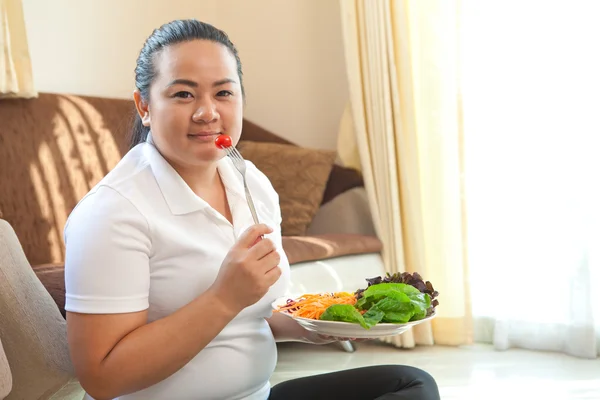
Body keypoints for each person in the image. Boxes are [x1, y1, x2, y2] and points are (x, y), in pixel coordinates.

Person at [63, 19, 440, 400]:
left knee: (410, 384)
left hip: (255, 395)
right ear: (144, 106)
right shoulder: (111, 213)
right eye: (183, 95)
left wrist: (311, 324)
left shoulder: (249, 182)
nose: (207, 113)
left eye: (223, 93)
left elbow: (250, 316)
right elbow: (102, 377)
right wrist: (223, 297)